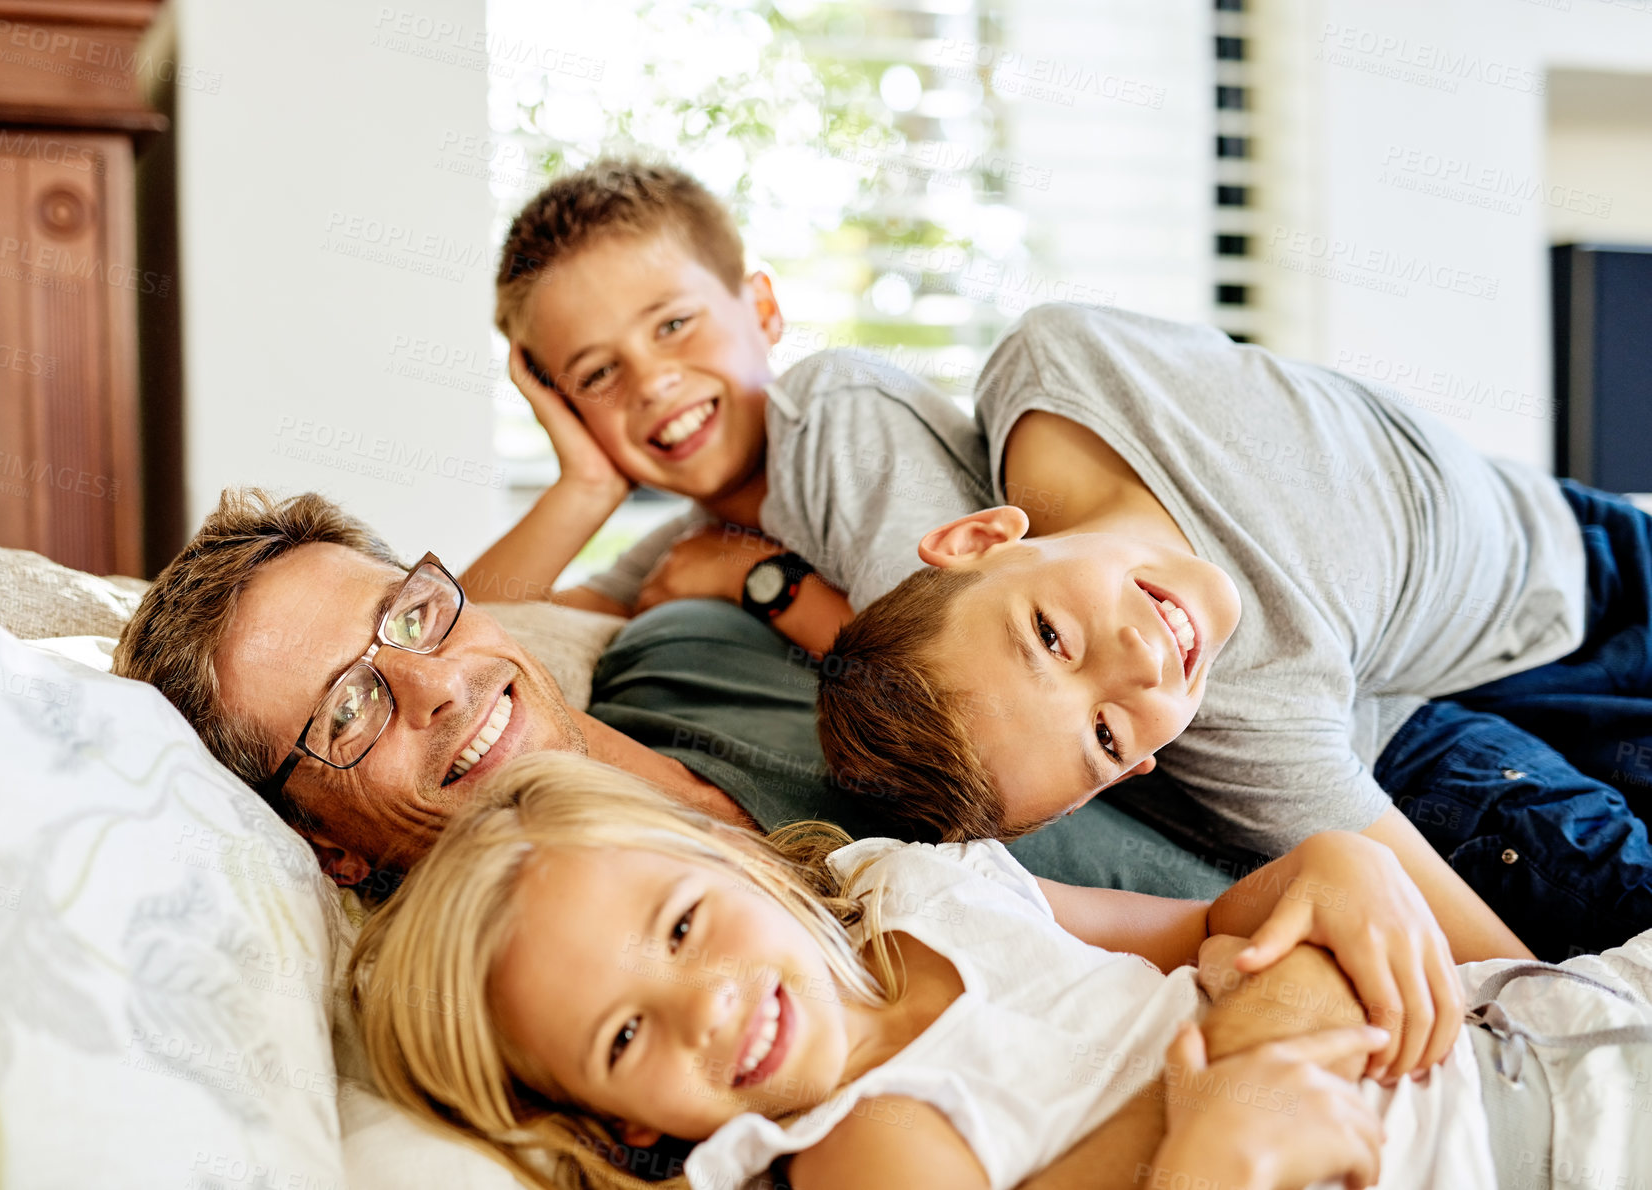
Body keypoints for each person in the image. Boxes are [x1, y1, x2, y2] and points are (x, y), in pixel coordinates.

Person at [115, 489, 1489, 1082]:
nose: (433, 684)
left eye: (410, 617)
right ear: (324, 844)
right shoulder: (640, 1007)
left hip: (1389, 762)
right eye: (348, 706)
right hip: (1353, 1013)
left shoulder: (683, 655)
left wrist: (746, 572)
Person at [351, 752, 1652, 1190]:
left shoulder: (913, 884)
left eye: (685, 925)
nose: (705, 1007)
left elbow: (1205, 931)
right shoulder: (856, 1141)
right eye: (624, 1034)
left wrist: (1329, 868)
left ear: (736, 862)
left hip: (1534, 1026)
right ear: (625, 1121)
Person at [815, 300, 1652, 962]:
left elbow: (829, 400)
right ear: (1140, 768)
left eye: (1050, 637)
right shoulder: (1251, 723)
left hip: (1572, 524)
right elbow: (1506, 970)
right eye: (1105, 736)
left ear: (980, 536)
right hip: (1525, 670)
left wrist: (755, 580)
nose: (1141, 667)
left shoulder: (1061, 357)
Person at [468, 158, 992, 658]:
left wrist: (755, 578)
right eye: (598, 373)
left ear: (762, 310)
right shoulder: (695, 540)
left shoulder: (835, 408)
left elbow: (951, 676)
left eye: (674, 325)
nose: (650, 382)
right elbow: (461, 646)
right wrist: (586, 487)